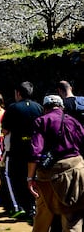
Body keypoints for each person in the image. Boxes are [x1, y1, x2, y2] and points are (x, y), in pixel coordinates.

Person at [27, 95, 84, 232]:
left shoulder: (41, 121)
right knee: (72, 215)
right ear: (62, 107)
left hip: (49, 174)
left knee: (43, 212)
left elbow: (35, 152)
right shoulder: (74, 121)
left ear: (45, 108)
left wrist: (30, 178)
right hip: (75, 170)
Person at [1, 81, 43, 221]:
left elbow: (5, 130)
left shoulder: (13, 108)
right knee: (32, 178)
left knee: (11, 177)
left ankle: (17, 207)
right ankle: (33, 208)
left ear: (18, 93)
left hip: (16, 149)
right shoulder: (39, 107)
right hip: (34, 149)